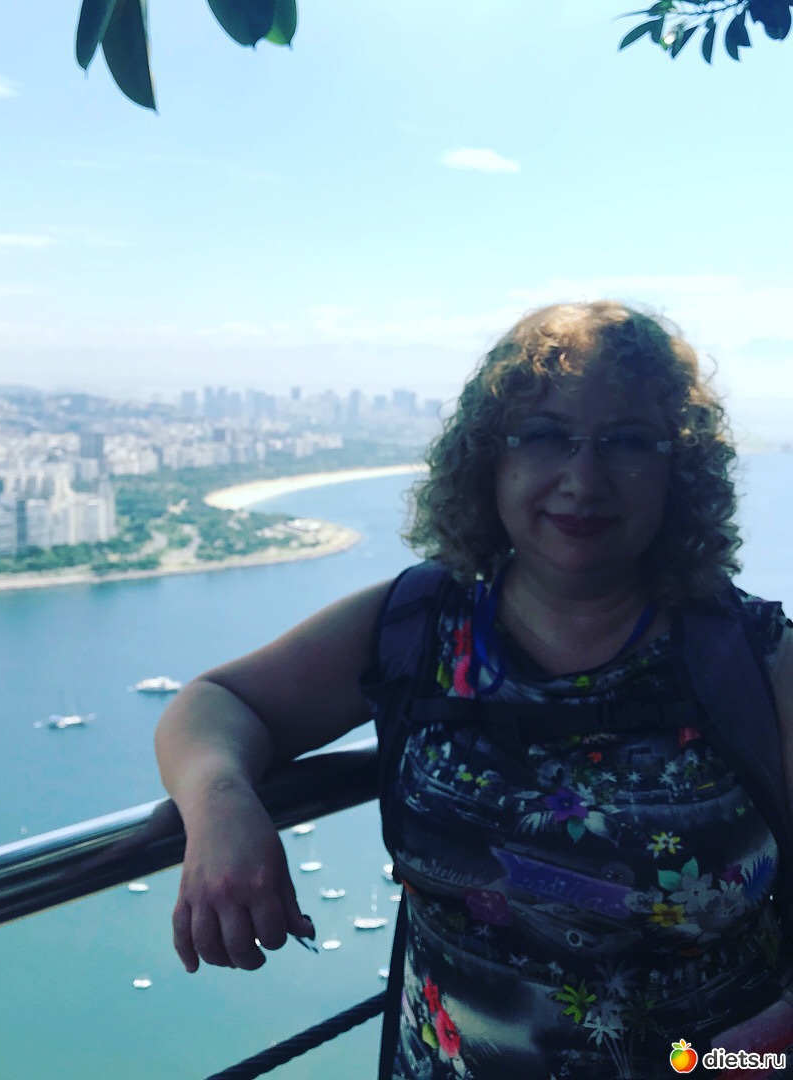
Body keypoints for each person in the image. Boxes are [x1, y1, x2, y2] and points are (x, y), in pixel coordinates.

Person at [154, 300, 793, 1079]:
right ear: (490, 458)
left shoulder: (754, 658)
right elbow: (217, 703)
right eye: (546, 435)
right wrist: (224, 810)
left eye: (628, 442)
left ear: (678, 471)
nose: (583, 479)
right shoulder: (420, 626)